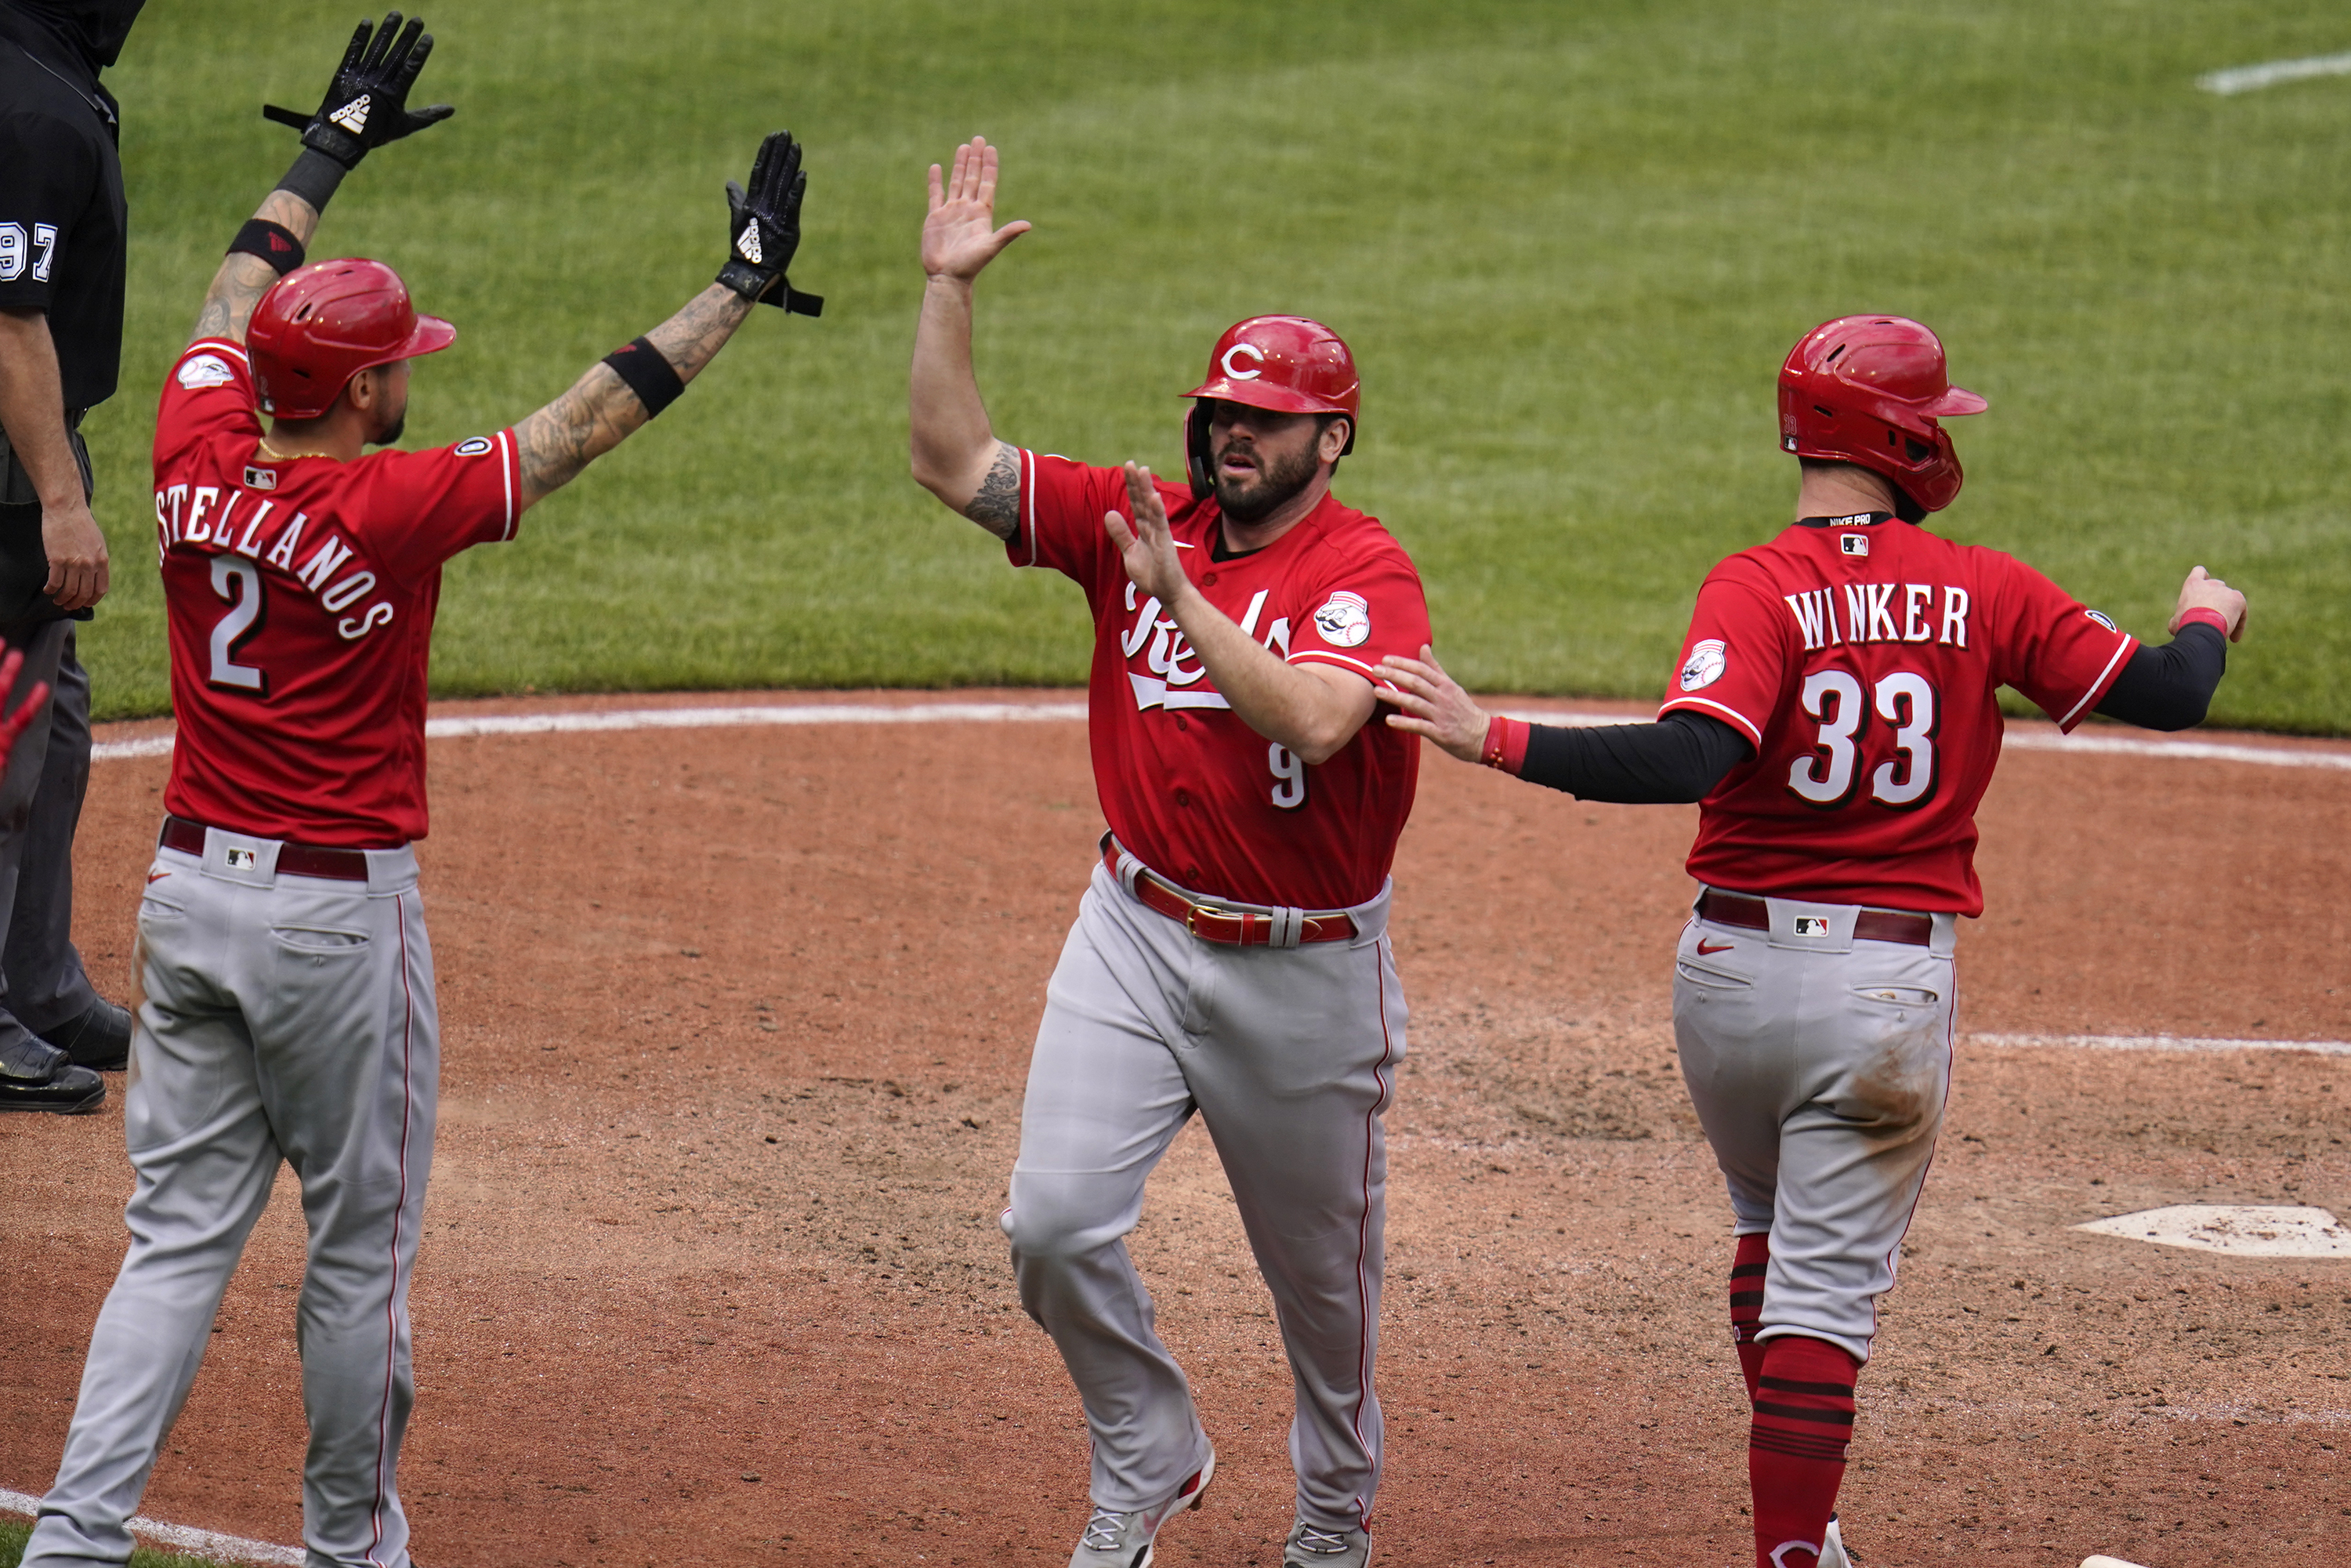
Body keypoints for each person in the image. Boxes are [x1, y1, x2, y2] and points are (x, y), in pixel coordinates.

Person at [20, 16, 820, 1564]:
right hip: (335, 934)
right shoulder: (397, 501)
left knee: (171, 1247)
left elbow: (226, 296)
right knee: (358, 1262)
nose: (411, 380)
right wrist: (734, 282)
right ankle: (351, 1546)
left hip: (186, 897)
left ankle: (73, 1535)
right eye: (400, 365)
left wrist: (330, 141)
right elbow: (592, 414)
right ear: (368, 391)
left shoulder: (196, 446)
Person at [1374, 313, 2246, 1568]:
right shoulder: (1986, 585)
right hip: (1883, 994)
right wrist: (2207, 614)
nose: (1945, 433)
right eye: (1937, 416)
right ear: (1898, 435)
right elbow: (2169, 692)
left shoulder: (1754, 584)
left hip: (1725, 985)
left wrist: (1495, 734)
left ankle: (1812, 1526)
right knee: (1826, 1297)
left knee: (1769, 1231)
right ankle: (1790, 1547)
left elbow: (1691, 755)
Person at [910, 136, 1429, 1568]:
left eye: (1268, 419)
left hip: (1306, 971)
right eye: (1222, 411)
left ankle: (1333, 1523)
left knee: (1324, 1296)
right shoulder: (1144, 516)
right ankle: (1148, 1448)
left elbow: (1323, 719)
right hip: (1133, 926)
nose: (1233, 435)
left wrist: (1182, 599)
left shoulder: (1362, 570)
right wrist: (947, 292)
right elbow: (947, 457)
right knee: (1053, 1225)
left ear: (1334, 441)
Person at [0, 0, 150, 1113]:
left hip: (31, 445)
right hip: (12, 466)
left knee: (57, 726)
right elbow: (8, 320)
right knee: (8, 744)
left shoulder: (40, 75)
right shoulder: (30, 111)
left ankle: (38, 981)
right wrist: (59, 495)